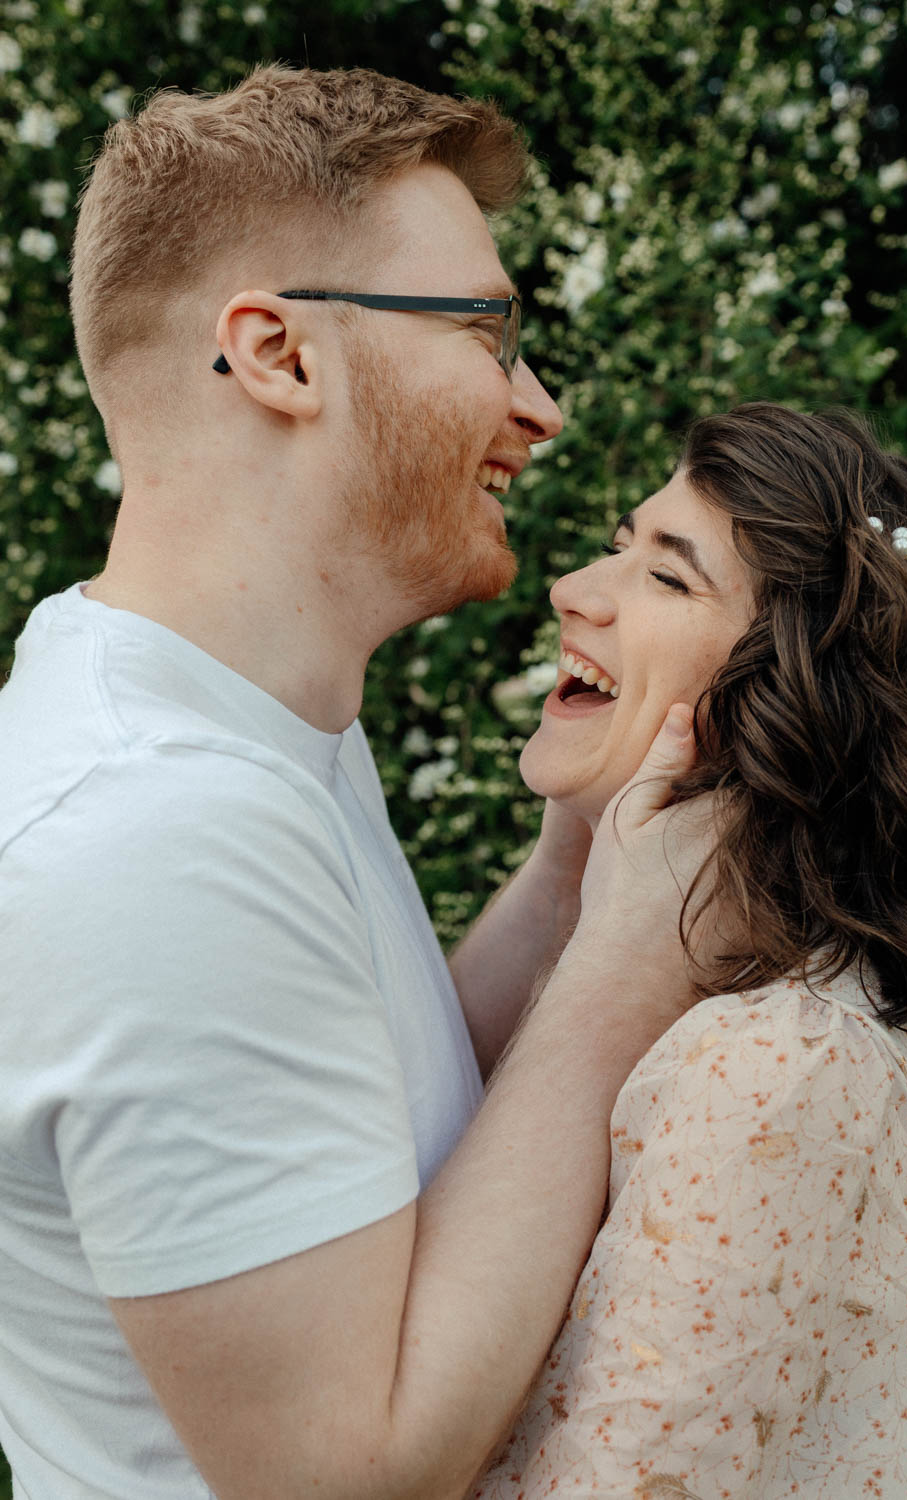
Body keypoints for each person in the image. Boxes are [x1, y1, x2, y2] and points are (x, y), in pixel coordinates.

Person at [0, 66, 710, 1500]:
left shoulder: (246, 720)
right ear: (277, 355)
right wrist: (630, 966)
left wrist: (576, 865)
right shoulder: (160, 829)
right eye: (487, 334)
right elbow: (353, 1474)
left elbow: (348, 1112)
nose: (540, 407)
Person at [473, 401, 907, 1499]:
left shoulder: (769, 1065)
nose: (573, 587)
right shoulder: (740, 1017)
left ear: (792, 695)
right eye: (620, 545)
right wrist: (568, 861)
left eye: (667, 576)